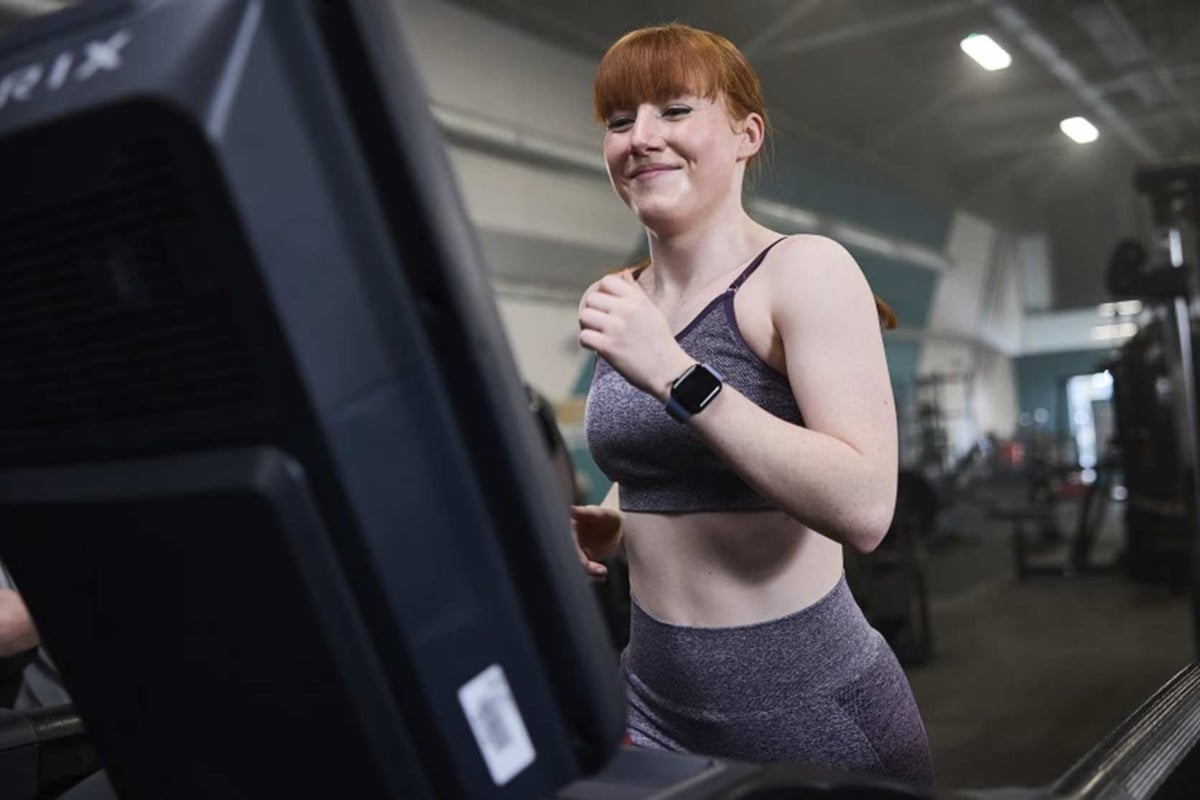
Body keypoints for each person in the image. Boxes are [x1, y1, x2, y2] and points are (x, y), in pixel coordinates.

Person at [572, 23, 934, 786]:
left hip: (805, 709)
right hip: (650, 700)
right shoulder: (625, 299)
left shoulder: (802, 271)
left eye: (673, 110)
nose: (640, 138)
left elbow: (867, 508)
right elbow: (660, 471)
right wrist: (608, 524)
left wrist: (675, 372)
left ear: (746, 134)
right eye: (618, 120)